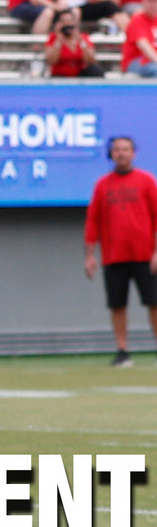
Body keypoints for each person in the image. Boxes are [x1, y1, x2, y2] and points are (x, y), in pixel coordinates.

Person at [85, 136, 157, 368]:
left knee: (154, 302)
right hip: (114, 256)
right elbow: (92, 221)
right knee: (117, 304)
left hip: (146, 256)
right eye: (117, 150)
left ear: (133, 153)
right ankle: (122, 350)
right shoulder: (102, 185)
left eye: (125, 149)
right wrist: (89, 255)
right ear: (111, 154)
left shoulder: (146, 181)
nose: (121, 153)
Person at [45, 9, 106, 76]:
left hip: (79, 75)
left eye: (70, 21)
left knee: (96, 70)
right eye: (64, 21)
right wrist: (58, 41)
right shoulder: (53, 37)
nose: (67, 24)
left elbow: (91, 60)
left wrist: (81, 42)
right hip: (60, 75)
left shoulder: (83, 37)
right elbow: (51, 61)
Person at [123, 0, 157, 76]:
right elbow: (143, 46)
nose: (153, 4)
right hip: (137, 60)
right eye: (150, 1)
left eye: (156, 1)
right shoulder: (138, 19)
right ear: (144, 2)